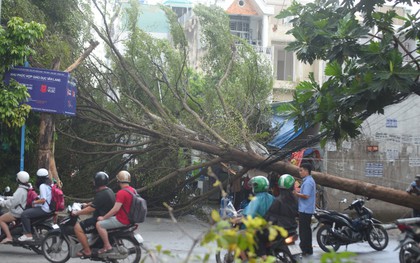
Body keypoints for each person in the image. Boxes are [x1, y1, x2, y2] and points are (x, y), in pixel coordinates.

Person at [72, 172, 116, 257]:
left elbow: (91, 209)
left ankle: (87, 251)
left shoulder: (101, 194)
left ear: (97, 182)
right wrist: (86, 204)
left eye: (94, 181)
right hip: (107, 218)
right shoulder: (108, 191)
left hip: (100, 219)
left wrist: (76, 212)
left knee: (77, 228)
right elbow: (96, 203)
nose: (93, 183)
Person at [233, 175, 275, 259]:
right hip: (270, 228)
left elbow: (248, 216)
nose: (252, 188)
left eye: (253, 186)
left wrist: (236, 220)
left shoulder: (256, 199)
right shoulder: (272, 197)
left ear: (257, 186)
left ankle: (245, 260)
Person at [96, 170, 136, 254]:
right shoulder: (133, 190)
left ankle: (107, 246)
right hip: (130, 219)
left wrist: (103, 217)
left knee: (99, 225)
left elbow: (115, 209)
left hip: (122, 220)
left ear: (118, 181)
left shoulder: (121, 193)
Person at [18, 168, 53, 242]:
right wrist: (37, 198)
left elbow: (43, 200)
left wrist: (34, 202)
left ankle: (28, 234)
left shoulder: (42, 186)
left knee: (24, 214)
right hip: (50, 208)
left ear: (39, 178)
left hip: (44, 209)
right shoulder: (51, 184)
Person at [0, 171, 31, 244]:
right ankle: (12, 226)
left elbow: (12, 203)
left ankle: (9, 237)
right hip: (22, 209)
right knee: (6, 214)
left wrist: (2, 203)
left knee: (1, 219)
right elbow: (16, 199)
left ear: (19, 179)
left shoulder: (20, 190)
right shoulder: (27, 187)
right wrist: (7, 198)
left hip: (17, 212)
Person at [294, 163, 316, 256]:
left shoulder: (308, 182)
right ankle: (308, 249)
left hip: (305, 210)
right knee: (306, 230)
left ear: (306, 171)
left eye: (301, 170)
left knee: (303, 230)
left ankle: (304, 248)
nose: (300, 172)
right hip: (307, 209)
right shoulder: (308, 180)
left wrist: (295, 193)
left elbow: (306, 195)